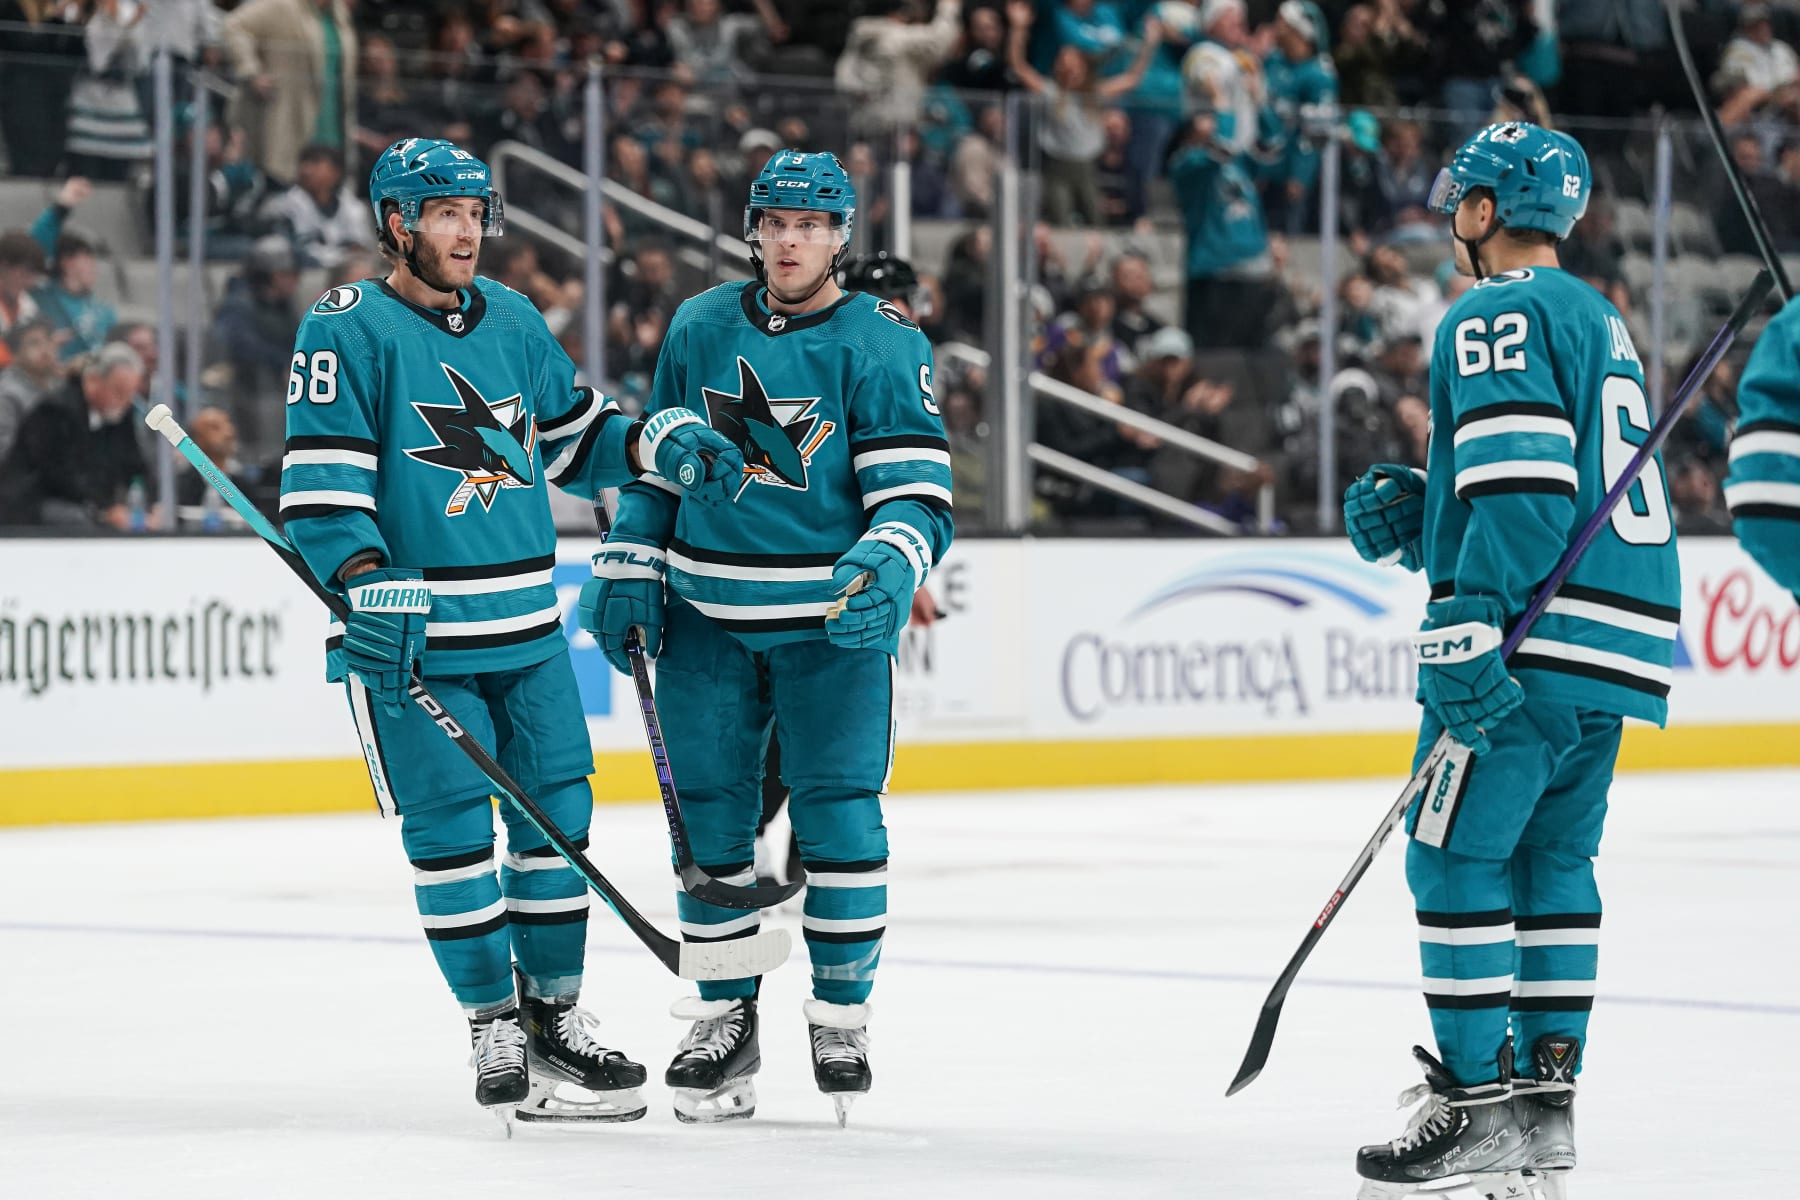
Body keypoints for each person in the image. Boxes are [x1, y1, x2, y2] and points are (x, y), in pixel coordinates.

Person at [277, 137, 743, 1127]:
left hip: (531, 635)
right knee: (449, 839)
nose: (465, 230)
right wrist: (364, 582)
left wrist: (660, 444)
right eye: (442, 212)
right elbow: (322, 497)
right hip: (419, 643)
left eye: (474, 211)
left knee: (557, 827)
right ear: (396, 223)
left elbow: (577, 438)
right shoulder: (347, 329)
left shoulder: (517, 320)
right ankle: (492, 1023)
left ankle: (555, 1020)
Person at [576, 153, 953, 1128]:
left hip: (828, 631)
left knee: (841, 824)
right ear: (754, 230)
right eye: (775, 223)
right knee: (712, 832)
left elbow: (915, 491)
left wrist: (893, 559)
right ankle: (722, 1019)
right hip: (705, 622)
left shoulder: (880, 340)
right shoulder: (700, 325)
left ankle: (841, 1014)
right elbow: (660, 461)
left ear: (840, 236)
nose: (791, 241)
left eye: (811, 225)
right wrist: (631, 553)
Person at [1341, 121, 1679, 1198]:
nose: (1450, 217)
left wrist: (1467, 617)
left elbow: (1528, 496)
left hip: (1532, 645)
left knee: (1450, 859)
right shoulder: (1597, 313)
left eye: (1461, 199)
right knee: (1552, 866)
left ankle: (1474, 1107)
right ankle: (1542, 1108)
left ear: (1490, 211)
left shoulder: (1493, 308)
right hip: (1610, 647)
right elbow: (1546, 481)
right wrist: (1434, 516)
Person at [0, 341, 145, 528]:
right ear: (93, 380)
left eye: (130, 395)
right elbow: (58, 474)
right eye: (118, 392)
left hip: (91, 500)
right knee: (79, 521)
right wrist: (105, 507)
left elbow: (134, 462)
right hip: (36, 502)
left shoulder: (121, 413)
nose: (125, 402)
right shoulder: (55, 411)